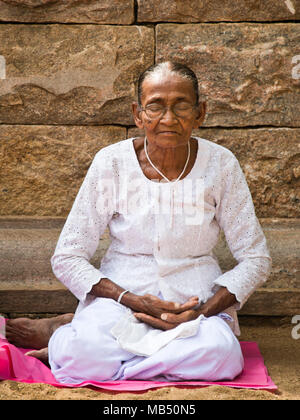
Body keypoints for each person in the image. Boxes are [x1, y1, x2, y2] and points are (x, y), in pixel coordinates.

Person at [6, 61, 272, 384]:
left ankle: (109, 356)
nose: (169, 119)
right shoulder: (112, 163)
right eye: (156, 107)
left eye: (181, 106)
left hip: (192, 305)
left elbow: (256, 258)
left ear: (200, 113)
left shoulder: (221, 165)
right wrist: (131, 298)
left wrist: (202, 312)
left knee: (222, 355)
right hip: (119, 300)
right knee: (80, 354)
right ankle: (67, 334)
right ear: (137, 114)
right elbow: (67, 256)